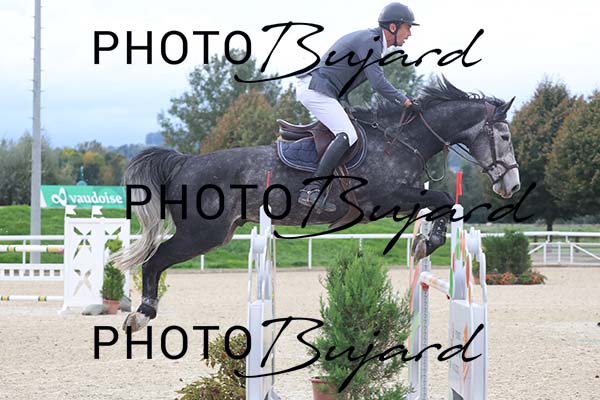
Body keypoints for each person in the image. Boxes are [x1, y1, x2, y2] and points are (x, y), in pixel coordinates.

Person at [296, 2, 420, 212]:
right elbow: (378, 83)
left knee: (352, 129)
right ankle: (312, 189)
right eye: (407, 27)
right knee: (347, 134)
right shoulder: (371, 42)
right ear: (393, 27)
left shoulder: (373, 42)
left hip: (323, 90)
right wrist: (406, 101)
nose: (409, 34)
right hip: (316, 89)